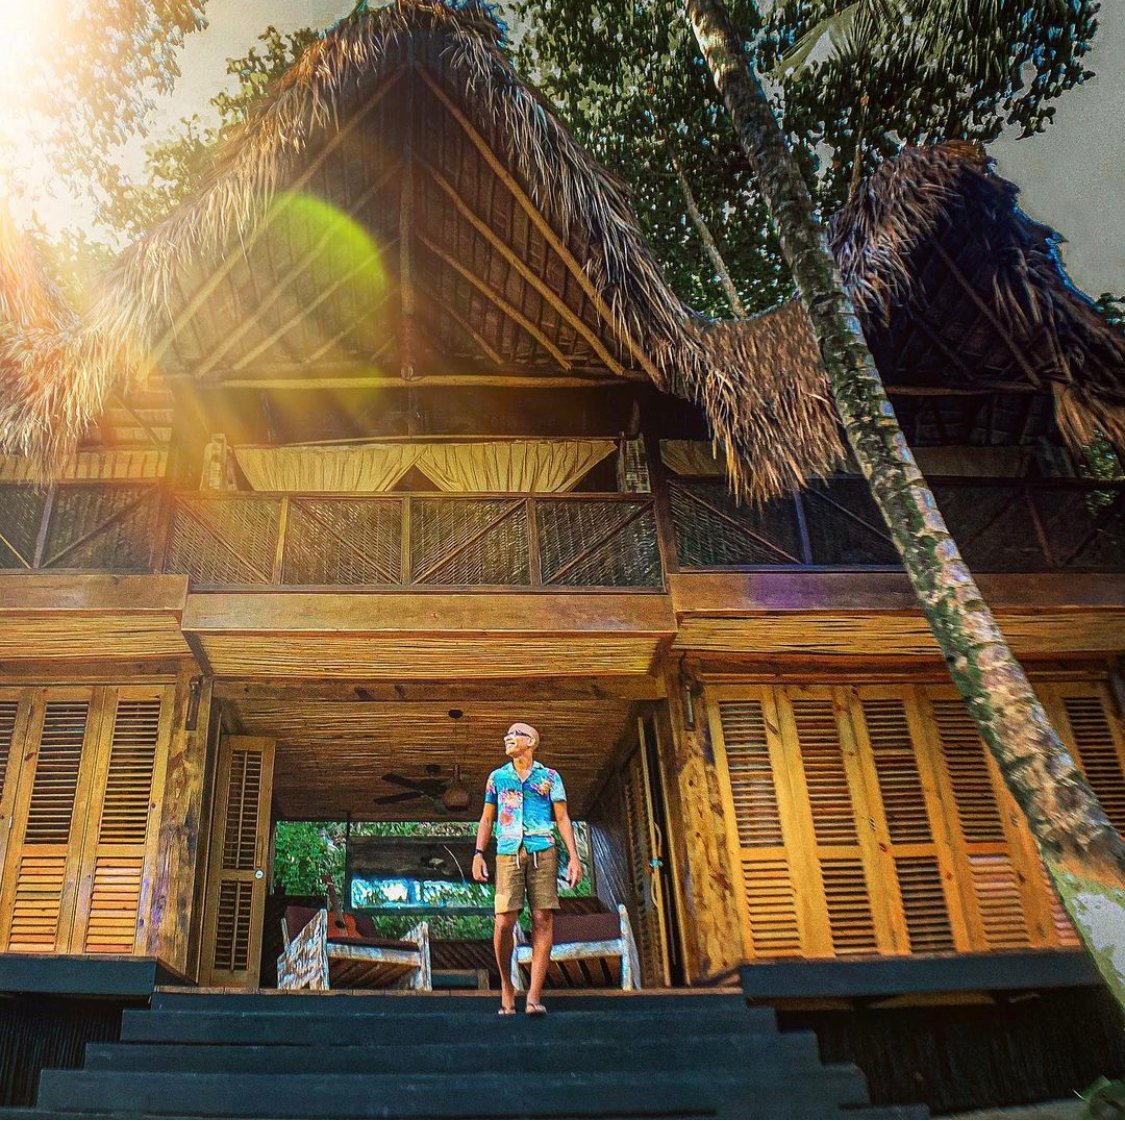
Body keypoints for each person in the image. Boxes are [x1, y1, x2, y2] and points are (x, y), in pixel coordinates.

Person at [472, 721, 581, 1016]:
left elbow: (562, 818)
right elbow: (486, 818)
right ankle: (507, 985)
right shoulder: (497, 777)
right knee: (504, 920)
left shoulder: (550, 777)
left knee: (543, 917)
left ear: (531, 742)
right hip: (507, 851)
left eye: (515, 734)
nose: (507, 738)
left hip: (542, 849)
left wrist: (574, 857)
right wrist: (479, 853)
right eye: (506, 735)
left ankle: (533, 995)